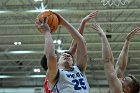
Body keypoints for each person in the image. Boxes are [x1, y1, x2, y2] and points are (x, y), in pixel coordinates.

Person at [37, 11, 97, 93]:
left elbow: (78, 43)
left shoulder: (78, 69)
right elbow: (51, 57)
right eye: (62, 55)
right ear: (57, 63)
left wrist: (63, 22)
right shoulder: (54, 74)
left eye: (70, 56)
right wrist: (47, 32)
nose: (67, 55)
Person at [92, 23, 140, 93]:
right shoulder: (120, 88)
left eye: (123, 80)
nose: (120, 78)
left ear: (127, 89)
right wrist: (127, 41)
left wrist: (103, 36)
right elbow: (120, 67)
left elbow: (107, 61)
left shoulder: (118, 90)